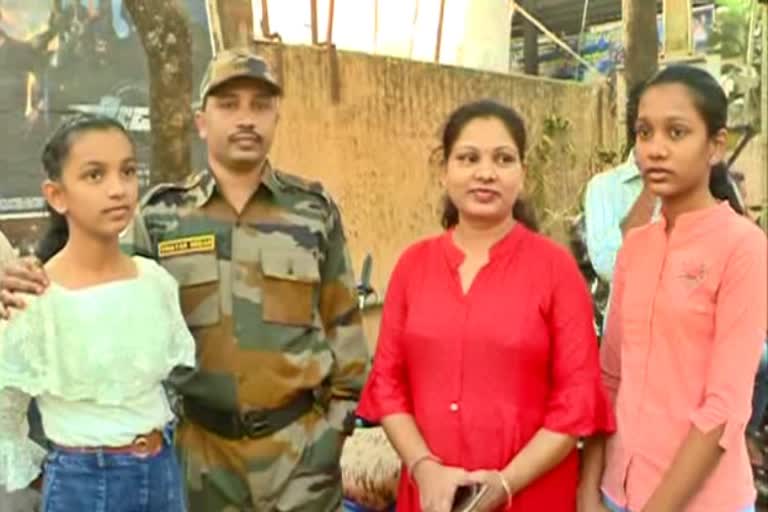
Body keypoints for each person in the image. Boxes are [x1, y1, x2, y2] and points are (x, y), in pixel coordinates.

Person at [0, 48, 369, 512]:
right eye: (228, 104)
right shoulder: (159, 216)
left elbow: (346, 332)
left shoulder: (313, 212)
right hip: (196, 464)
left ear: (277, 116)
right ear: (201, 121)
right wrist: (23, 277)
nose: (246, 119)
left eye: (260, 105)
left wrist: (330, 437)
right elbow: (95, 285)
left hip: (299, 460)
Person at [357, 100, 615, 512]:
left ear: (522, 174)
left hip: (531, 496)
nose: (486, 172)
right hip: (431, 499)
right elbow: (387, 385)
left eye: (503, 158)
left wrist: (505, 485)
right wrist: (424, 469)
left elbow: (577, 400)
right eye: (468, 157)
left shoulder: (556, 270)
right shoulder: (412, 266)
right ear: (444, 171)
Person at [579, 65, 767, 512]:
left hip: (702, 501)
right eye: (644, 133)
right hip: (614, 492)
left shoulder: (743, 247)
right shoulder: (636, 247)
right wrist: (589, 489)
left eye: (676, 132)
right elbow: (609, 378)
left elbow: (724, 410)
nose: (655, 149)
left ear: (715, 146)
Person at [0, 114, 195, 511]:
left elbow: (163, 384)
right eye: (94, 175)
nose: (117, 189)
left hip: (164, 474)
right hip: (84, 485)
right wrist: (60, 474)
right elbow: (7, 415)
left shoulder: (154, 281)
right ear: (57, 195)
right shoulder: (36, 296)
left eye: (127, 172)